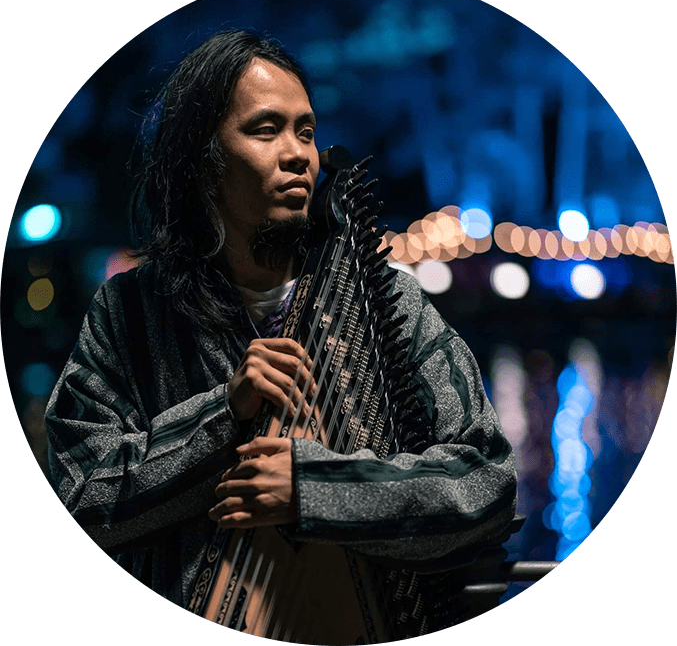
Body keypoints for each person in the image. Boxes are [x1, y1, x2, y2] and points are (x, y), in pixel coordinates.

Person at [45, 30, 517, 626]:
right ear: (202, 160)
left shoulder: (387, 301)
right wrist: (223, 413)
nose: (299, 154)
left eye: (307, 132)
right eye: (266, 130)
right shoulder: (130, 311)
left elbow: (487, 481)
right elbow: (79, 497)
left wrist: (316, 488)